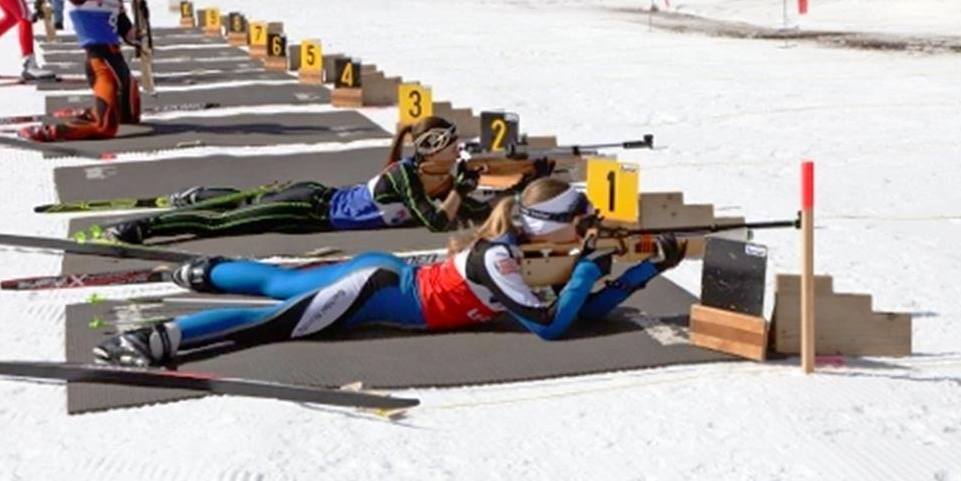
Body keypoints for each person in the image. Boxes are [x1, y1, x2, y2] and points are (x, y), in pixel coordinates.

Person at [94, 177, 688, 367]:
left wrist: (642, 274)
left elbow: (578, 310)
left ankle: (209, 270)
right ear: (551, 225)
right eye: (580, 222)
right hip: (376, 291)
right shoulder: (501, 258)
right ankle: (159, 337)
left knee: (283, 283)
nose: (588, 230)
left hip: (390, 279)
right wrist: (589, 268)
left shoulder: (528, 250)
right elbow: (552, 325)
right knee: (273, 321)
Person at [99, 116, 494, 244]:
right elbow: (436, 223)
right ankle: (142, 227)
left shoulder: (439, 178)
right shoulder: (407, 174)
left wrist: (516, 192)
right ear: (432, 147)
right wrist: (461, 189)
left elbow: (475, 211)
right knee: (225, 224)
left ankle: (199, 194)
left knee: (243, 208)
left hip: (315, 204)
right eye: (453, 142)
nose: (460, 149)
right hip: (309, 207)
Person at [19, 0, 141, 143]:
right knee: (105, 128)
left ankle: (91, 112)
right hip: (99, 63)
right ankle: (50, 132)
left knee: (131, 117)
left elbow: (127, 31)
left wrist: (139, 36)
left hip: (118, 60)